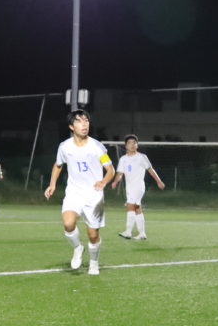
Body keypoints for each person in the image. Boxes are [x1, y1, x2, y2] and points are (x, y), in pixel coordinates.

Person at [44, 109, 115, 275]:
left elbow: (110, 169)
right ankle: (77, 248)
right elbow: (58, 165)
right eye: (79, 121)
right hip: (74, 193)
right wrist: (52, 184)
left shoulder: (97, 147)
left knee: (93, 235)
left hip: (94, 196)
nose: (84, 124)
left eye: (86, 121)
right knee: (68, 224)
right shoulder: (64, 147)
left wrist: (104, 181)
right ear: (71, 126)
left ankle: (94, 263)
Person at [110, 134, 165, 240]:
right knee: (137, 209)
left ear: (137, 145)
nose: (132, 145)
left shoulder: (141, 157)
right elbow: (120, 173)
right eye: (129, 143)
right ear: (126, 145)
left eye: (134, 143)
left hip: (138, 187)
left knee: (130, 206)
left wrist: (159, 181)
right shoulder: (123, 159)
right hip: (129, 188)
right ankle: (142, 234)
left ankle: (128, 232)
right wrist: (115, 182)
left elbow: (150, 170)